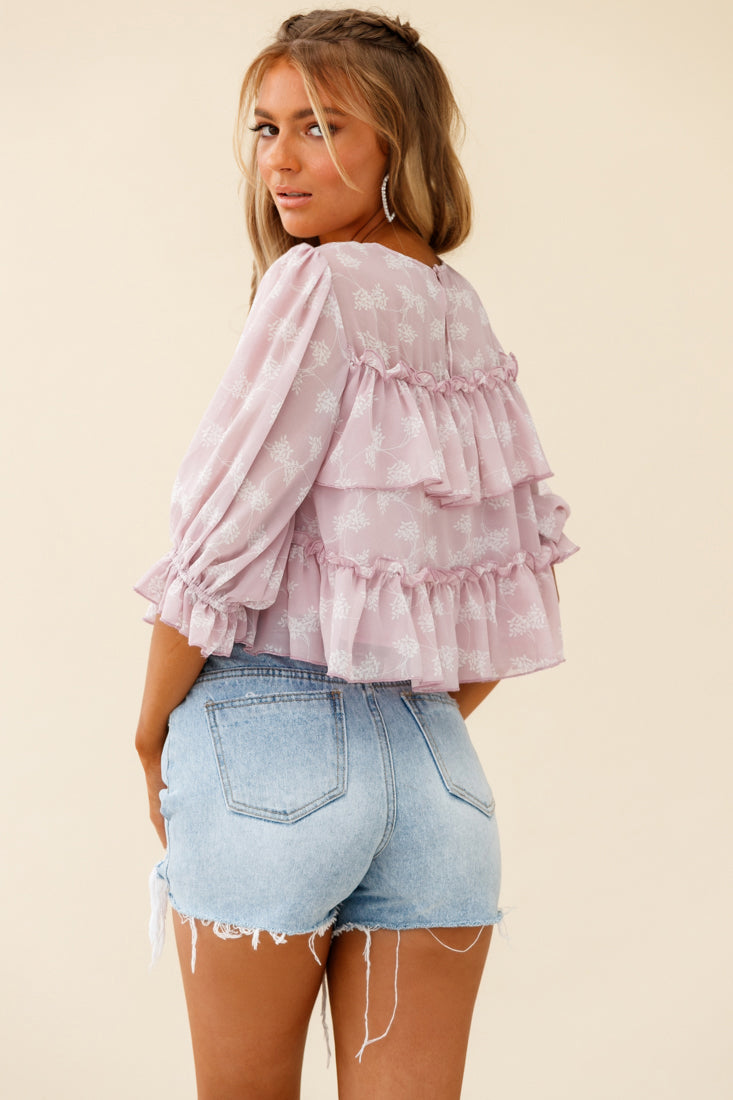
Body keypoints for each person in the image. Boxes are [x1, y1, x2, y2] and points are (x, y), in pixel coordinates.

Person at [134, 9, 577, 1098]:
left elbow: (221, 532)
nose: (282, 159)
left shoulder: (318, 281)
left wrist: (151, 731)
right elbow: (507, 585)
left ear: (396, 143)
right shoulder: (458, 309)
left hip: (265, 744)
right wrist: (396, 724)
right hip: (436, 771)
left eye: (322, 126)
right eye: (268, 126)